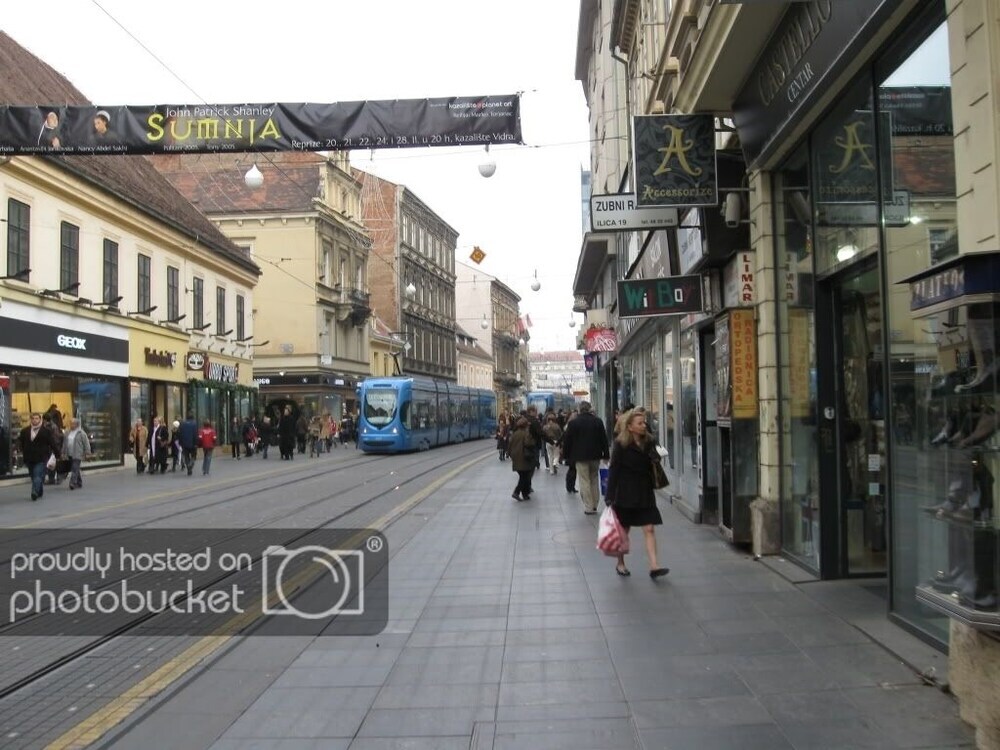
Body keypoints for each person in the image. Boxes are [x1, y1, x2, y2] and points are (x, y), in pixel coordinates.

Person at [605, 409, 669, 579]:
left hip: (644, 491)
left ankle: (654, 566)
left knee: (649, 528)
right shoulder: (621, 444)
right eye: (639, 423)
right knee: (624, 530)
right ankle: (620, 563)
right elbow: (614, 469)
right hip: (625, 492)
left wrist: (656, 456)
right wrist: (610, 495)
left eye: (644, 422)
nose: (643, 426)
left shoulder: (649, 441)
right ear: (630, 427)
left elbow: (654, 461)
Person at [560, 401, 609, 515]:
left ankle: (588, 506)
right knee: (594, 479)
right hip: (595, 456)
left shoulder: (573, 423)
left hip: (580, 457)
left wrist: (566, 456)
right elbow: (604, 439)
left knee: (584, 480)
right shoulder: (598, 421)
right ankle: (595, 504)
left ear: (579, 409)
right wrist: (606, 455)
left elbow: (568, 441)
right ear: (589, 409)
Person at [18, 412, 54, 501]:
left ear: (40, 419)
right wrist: (20, 450)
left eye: (36, 418)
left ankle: (34, 492)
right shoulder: (25, 431)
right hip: (29, 458)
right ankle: (39, 489)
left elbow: (52, 443)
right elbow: (20, 442)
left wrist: (58, 454)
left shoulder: (46, 431)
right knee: (33, 476)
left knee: (37, 474)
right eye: (33, 418)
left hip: (41, 458)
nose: (35, 420)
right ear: (31, 420)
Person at [507, 416, 536, 501]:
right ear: (525, 425)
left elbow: (509, 446)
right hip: (524, 458)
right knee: (525, 477)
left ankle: (525, 494)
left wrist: (510, 455)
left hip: (516, 458)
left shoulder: (514, 434)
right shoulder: (526, 433)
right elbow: (529, 443)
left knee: (524, 476)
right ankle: (516, 492)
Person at [63, 417, 92, 490]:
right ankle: (79, 482)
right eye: (71, 423)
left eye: (73, 424)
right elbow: (64, 443)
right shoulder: (67, 432)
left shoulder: (81, 433)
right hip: (69, 453)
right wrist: (63, 452)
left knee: (74, 468)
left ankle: (72, 483)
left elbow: (86, 443)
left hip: (78, 453)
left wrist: (87, 452)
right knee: (75, 468)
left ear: (77, 424)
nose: (71, 425)